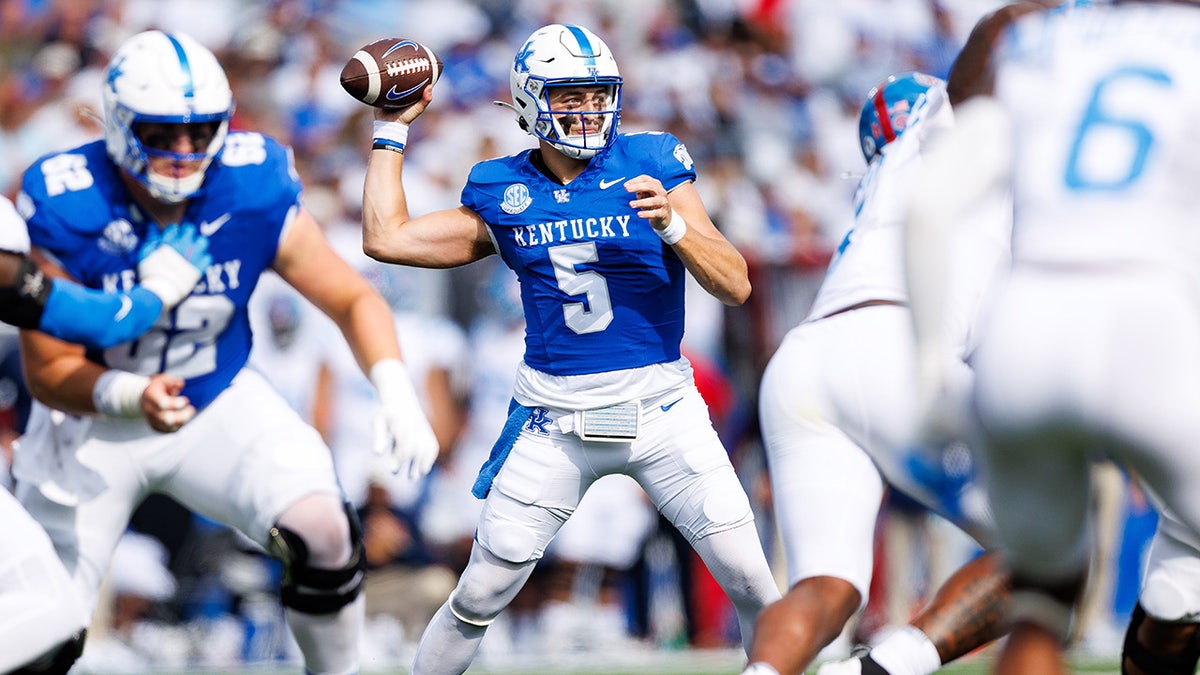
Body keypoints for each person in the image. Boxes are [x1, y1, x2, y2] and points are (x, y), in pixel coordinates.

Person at [354, 22, 781, 674]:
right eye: (568, 96)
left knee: (751, 577)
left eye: (595, 94)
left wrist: (676, 224)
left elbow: (736, 282)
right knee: (480, 591)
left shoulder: (652, 160)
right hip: (557, 419)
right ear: (528, 101)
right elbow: (388, 238)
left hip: (662, 409)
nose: (587, 110)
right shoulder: (503, 188)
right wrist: (391, 130)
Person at [13, 29, 439, 675]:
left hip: (212, 394)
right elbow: (46, 370)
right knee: (41, 634)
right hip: (89, 417)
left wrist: (396, 388)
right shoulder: (68, 196)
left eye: (200, 130)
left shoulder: (250, 181)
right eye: (161, 133)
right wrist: (130, 393)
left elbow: (352, 297)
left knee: (324, 529)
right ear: (120, 124)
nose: (184, 152)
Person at [904, 1, 1200, 673]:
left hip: (1027, 323)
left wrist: (927, 368)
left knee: (1043, 597)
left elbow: (929, 204)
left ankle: (1169, 606)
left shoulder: (1041, 38)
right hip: (1149, 320)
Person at [742, 70, 1014, 675]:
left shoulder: (886, 173)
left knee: (826, 588)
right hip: (898, 346)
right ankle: (877, 671)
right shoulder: (976, 133)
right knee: (1045, 545)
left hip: (807, 356)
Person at [0, 181, 209, 673]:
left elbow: (97, 321)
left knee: (50, 607)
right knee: (46, 607)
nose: (14, 279)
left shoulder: (16, 282)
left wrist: (156, 292)